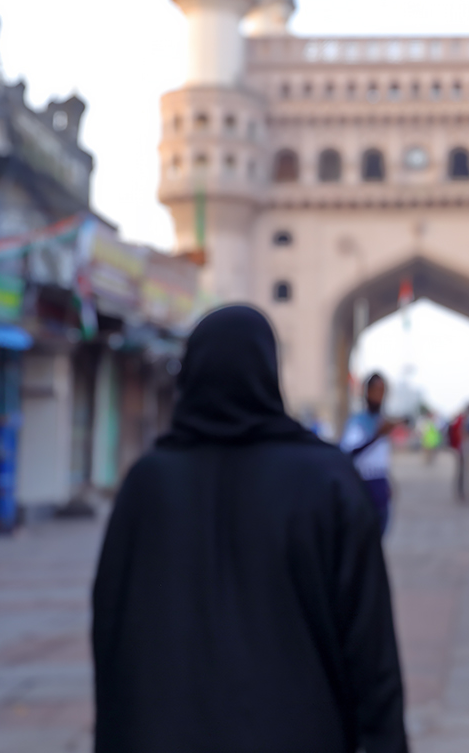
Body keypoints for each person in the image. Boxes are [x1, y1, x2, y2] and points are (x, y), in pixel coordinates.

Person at [93, 305, 406, 753]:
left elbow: (111, 636)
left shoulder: (148, 485)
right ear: (268, 371)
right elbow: (371, 652)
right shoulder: (326, 481)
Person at [341, 373, 395, 535]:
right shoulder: (357, 422)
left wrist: (388, 482)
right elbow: (348, 453)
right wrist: (376, 435)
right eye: (376, 390)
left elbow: (379, 458)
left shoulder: (382, 420)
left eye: (382, 391)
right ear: (367, 392)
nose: (379, 395)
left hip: (380, 487)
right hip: (363, 486)